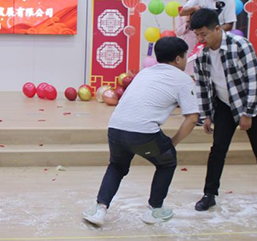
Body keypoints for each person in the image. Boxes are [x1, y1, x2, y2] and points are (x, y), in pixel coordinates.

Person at [83, 37, 199, 226]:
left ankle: (99, 209)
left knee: (117, 166)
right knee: (167, 161)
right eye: (185, 56)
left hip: (115, 127)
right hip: (143, 133)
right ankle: (154, 210)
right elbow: (192, 118)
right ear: (178, 59)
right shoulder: (183, 79)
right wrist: (173, 142)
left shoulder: (145, 73)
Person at [189, 9, 257, 211]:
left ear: (217, 28)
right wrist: (206, 115)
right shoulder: (200, 54)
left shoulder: (240, 45)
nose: (200, 39)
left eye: (203, 34)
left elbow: (254, 80)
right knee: (218, 149)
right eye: (197, 35)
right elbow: (202, 86)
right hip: (225, 105)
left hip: (254, 104)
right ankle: (209, 194)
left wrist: (247, 113)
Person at [175, 0, 199, 76]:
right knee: (188, 71)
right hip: (188, 46)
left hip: (200, 44)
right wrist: (186, 23)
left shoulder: (202, 11)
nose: (190, 1)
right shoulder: (183, 13)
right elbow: (178, 32)